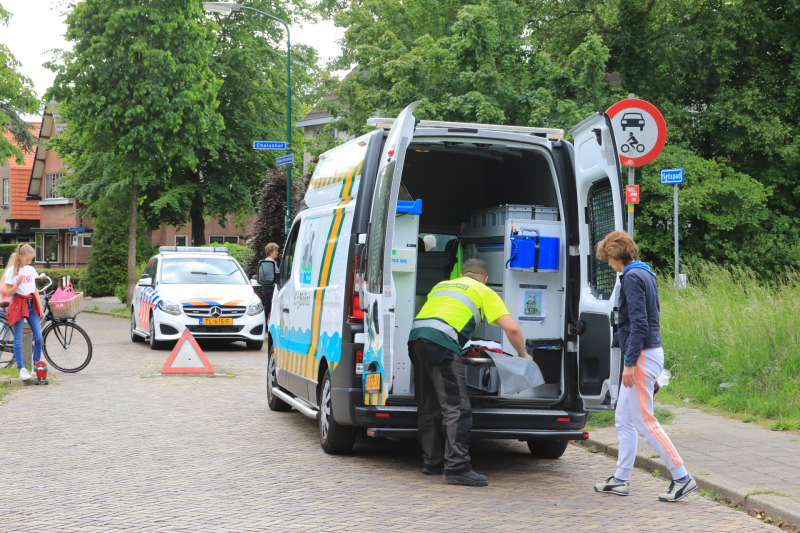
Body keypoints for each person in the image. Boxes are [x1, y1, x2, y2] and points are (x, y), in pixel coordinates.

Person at [408, 258, 531, 487]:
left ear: (462, 275)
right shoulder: (483, 290)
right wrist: (523, 355)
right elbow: (512, 329)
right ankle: (457, 467)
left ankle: (432, 461)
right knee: (456, 407)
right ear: (485, 279)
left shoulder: (442, 285)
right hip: (441, 344)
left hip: (416, 339)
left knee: (428, 405)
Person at [593, 231, 697, 502]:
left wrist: (629, 363)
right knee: (624, 418)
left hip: (641, 356)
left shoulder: (631, 277)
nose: (608, 264)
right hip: (645, 353)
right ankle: (620, 479)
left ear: (616, 254)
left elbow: (639, 323)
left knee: (644, 420)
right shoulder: (645, 273)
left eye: (608, 258)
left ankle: (682, 478)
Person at [4, 244, 43, 381]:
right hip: (18, 305)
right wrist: (17, 283)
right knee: (18, 339)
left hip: (31, 305)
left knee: (39, 337)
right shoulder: (11, 271)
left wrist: (40, 307)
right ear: (20, 256)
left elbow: (34, 289)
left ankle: (36, 366)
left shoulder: (31, 269)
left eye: (31, 259)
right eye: (27, 259)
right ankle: (21, 368)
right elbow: (8, 292)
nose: (29, 262)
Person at [257, 243, 280, 322]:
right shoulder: (270, 264)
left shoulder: (267, 263)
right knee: (271, 306)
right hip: (271, 288)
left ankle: (265, 322)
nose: (277, 252)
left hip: (268, 288)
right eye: (275, 251)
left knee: (268, 305)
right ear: (270, 252)